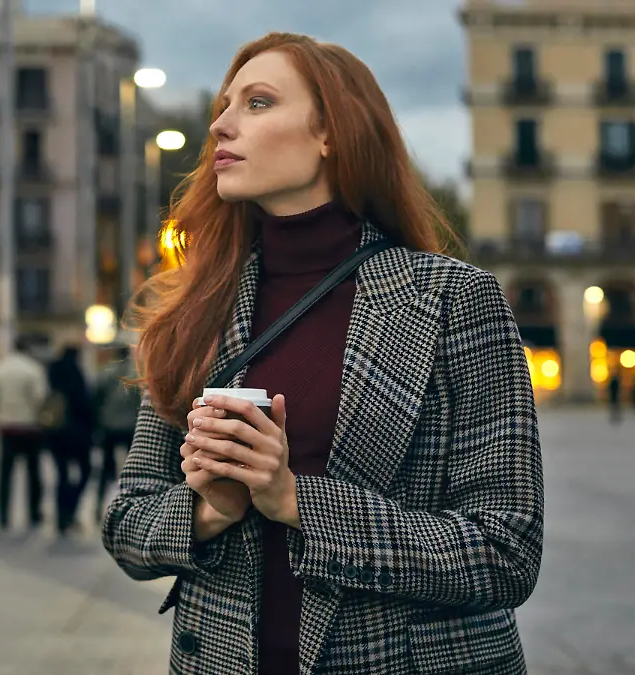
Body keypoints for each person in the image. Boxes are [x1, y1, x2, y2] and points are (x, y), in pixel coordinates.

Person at [101, 33, 544, 675]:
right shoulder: (198, 309)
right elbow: (127, 527)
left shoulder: (452, 300)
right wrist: (208, 510)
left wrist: (297, 501)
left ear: (331, 132)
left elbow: (506, 552)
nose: (220, 124)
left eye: (257, 103)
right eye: (223, 107)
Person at [0, 337, 49, 532]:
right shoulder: (33, 369)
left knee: (5, 474)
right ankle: (34, 513)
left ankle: (3, 515)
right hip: (30, 427)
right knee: (33, 474)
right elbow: (40, 397)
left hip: (6, 426)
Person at [45, 343, 97, 535]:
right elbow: (85, 406)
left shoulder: (53, 375)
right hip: (78, 436)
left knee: (62, 475)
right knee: (85, 472)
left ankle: (61, 516)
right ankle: (71, 509)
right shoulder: (76, 376)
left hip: (57, 435)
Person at [93, 343, 141, 522]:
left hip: (109, 426)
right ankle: (131, 506)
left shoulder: (106, 373)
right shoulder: (135, 375)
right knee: (133, 468)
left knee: (106, 468)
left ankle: (98, 506)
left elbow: (97, 398)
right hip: (130, 426)